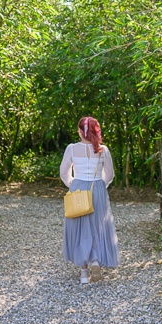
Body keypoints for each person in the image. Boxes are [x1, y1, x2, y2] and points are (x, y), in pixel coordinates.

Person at [59, 116, 119, 283]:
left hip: (78, 187)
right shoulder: (102, 150)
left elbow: (64, 172)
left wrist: (72, 184)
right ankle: (95, 261)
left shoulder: (71, 149)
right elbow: (110, 174)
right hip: (97, 188)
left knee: (79, 227)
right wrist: (101, 186)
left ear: (80, 131)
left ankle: (84, 272)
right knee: (97, 227)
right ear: (95, 131)